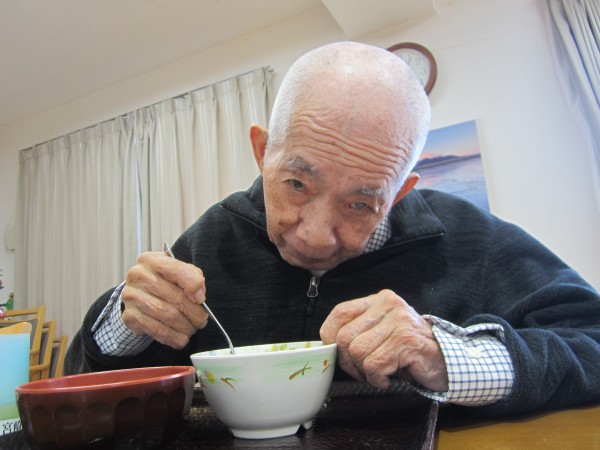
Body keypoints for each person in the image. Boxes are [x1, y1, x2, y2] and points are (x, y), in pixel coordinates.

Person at [65, 41, 600, 417]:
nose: (316, 236)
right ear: (262, 152)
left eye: (361, 204)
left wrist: (447, 358)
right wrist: (126, 322)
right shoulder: (212, 239)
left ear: (400, 193)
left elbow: (592, 342)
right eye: (297, 184)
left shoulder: (469, 240)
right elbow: (80, 380)